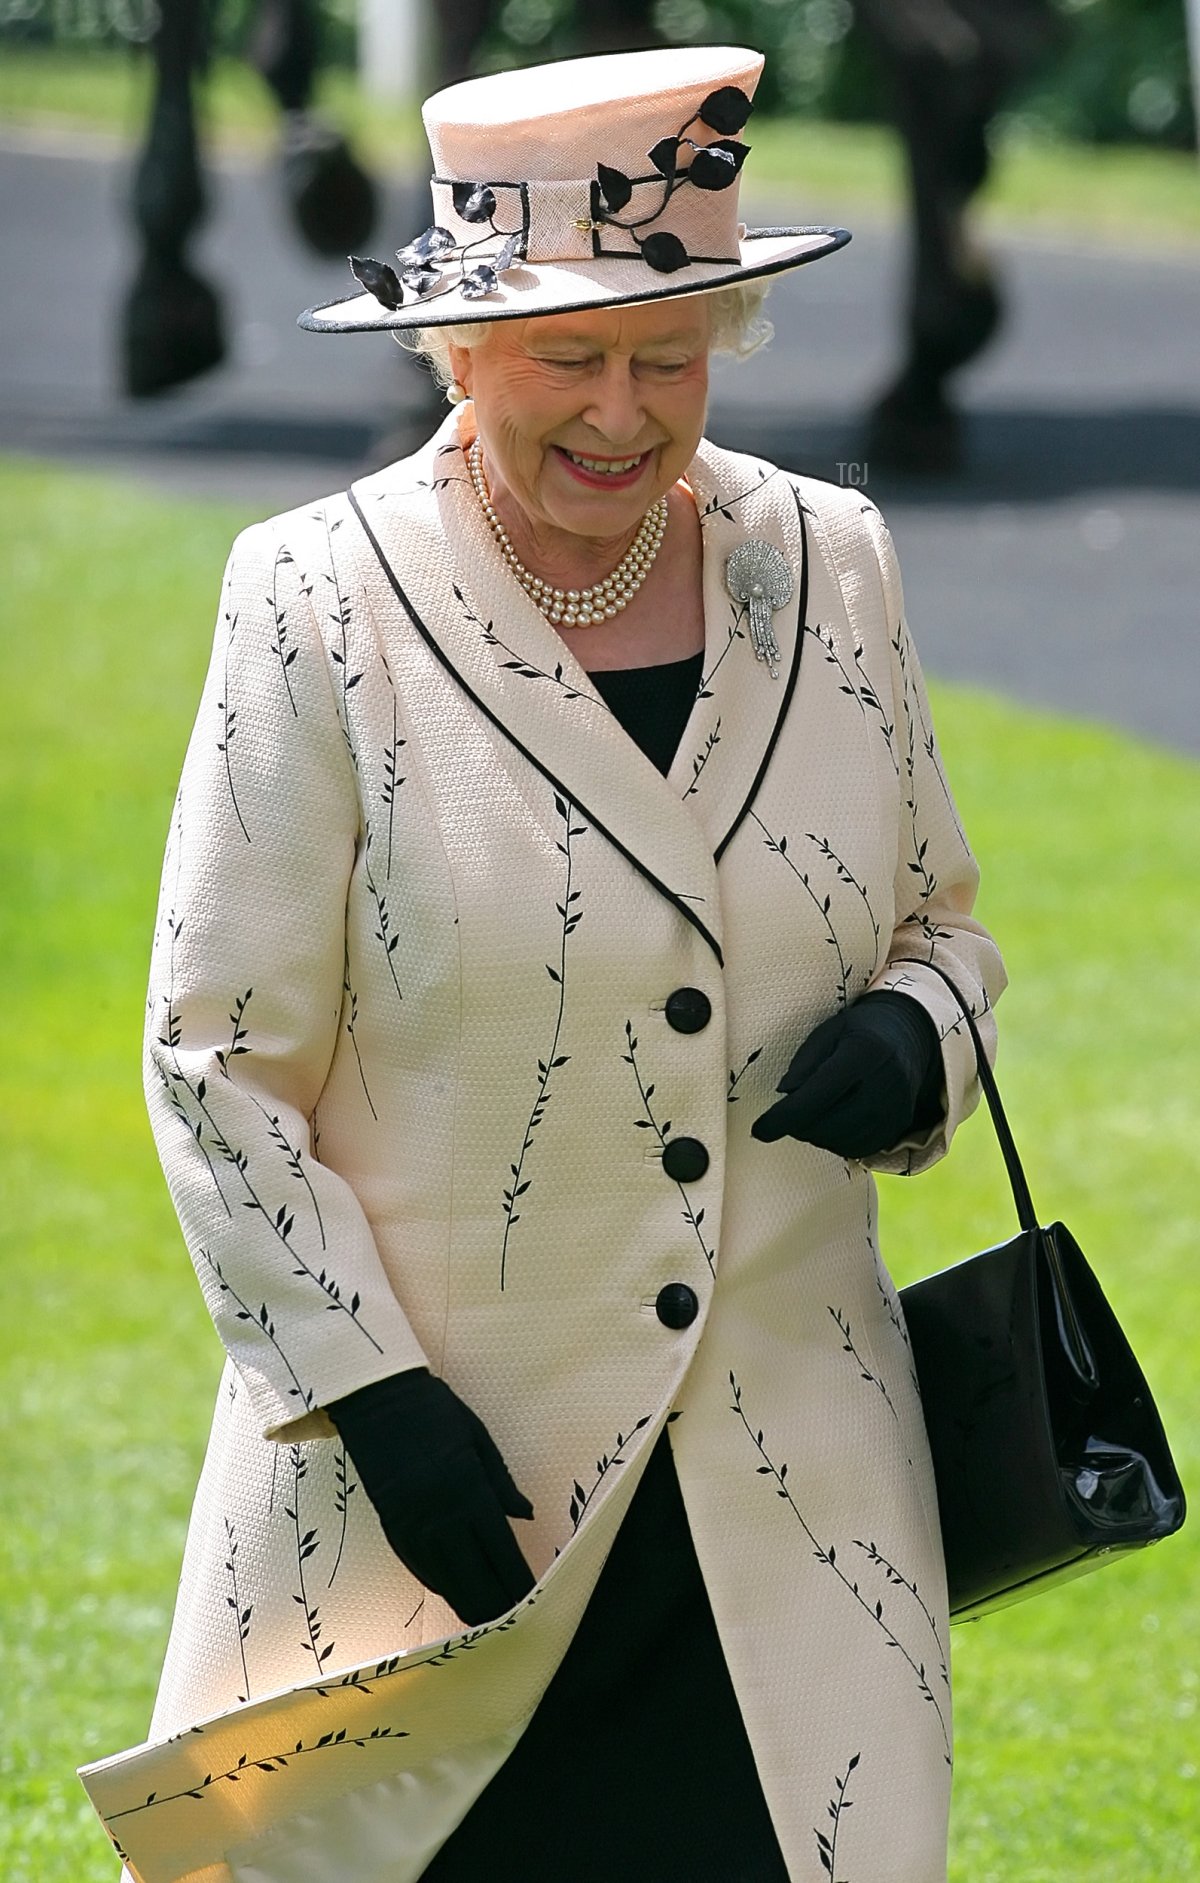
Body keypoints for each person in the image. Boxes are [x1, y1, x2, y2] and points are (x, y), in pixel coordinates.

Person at [80, 44, 1005, 1883]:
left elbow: (943, 927)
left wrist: (920, 1035)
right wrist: (369, 1396)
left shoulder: (832, 562)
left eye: (667, 356)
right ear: (454, 348)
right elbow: (216, 1060)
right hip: (441, 1508)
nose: (620, 411)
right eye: (565, 359)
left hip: (791, 1515)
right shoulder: (315, 599)